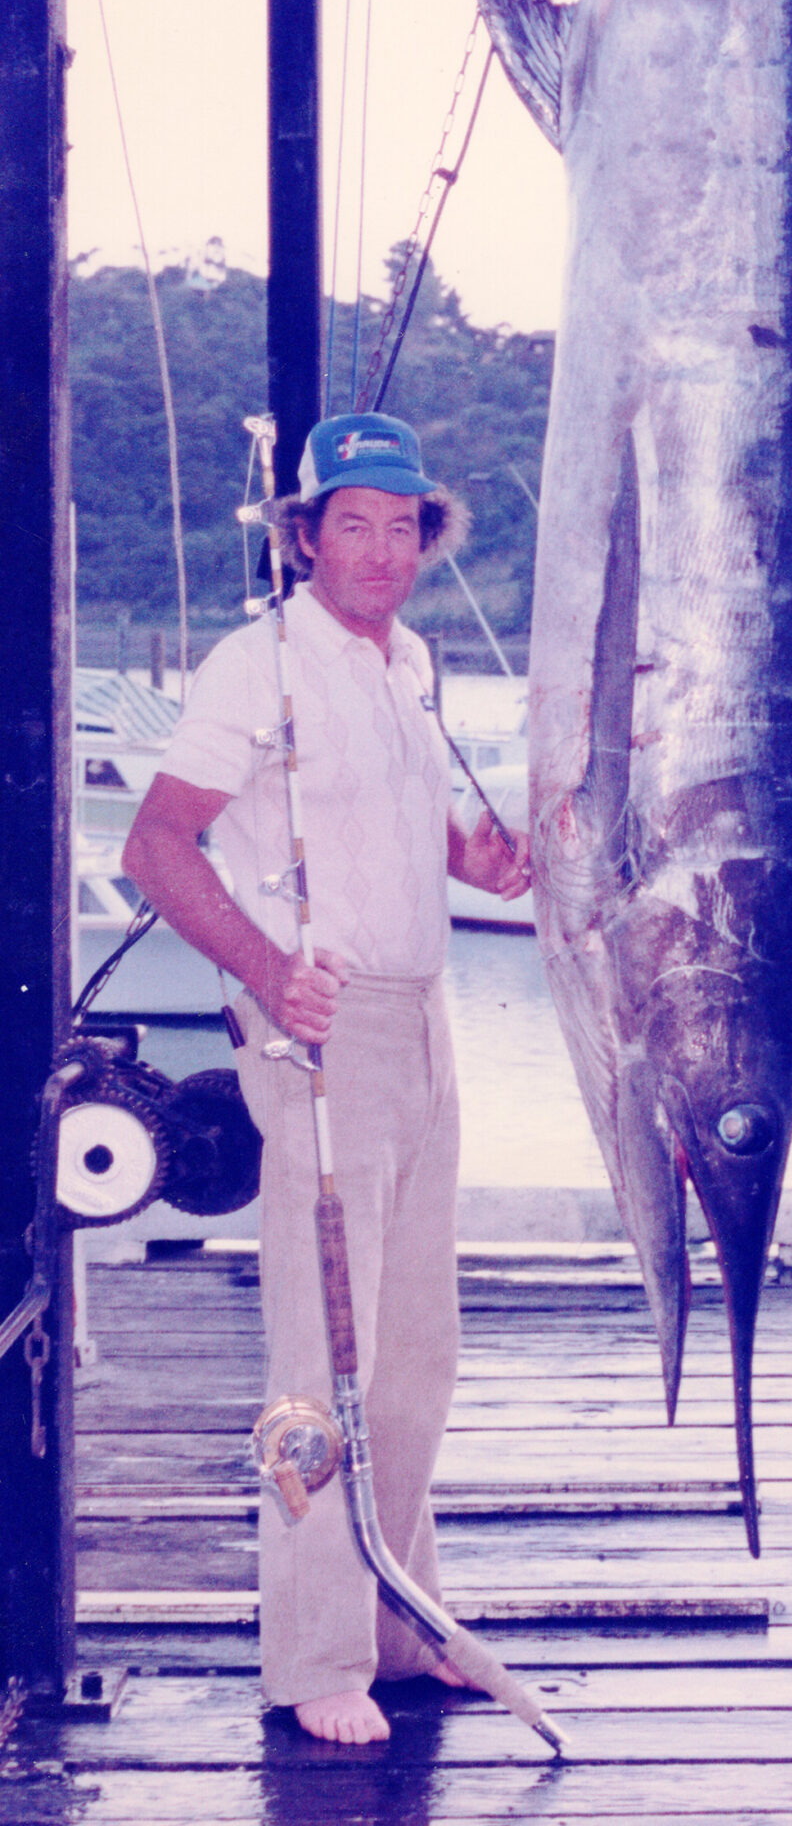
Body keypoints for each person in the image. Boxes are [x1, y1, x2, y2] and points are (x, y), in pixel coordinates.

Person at [123, 412, 530, 1745]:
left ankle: (402, 1622)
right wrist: (264, 967)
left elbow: (412, 824)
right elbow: (156, 845)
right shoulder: (256, 664)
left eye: (401, 525)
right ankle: (312, 1657)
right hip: (319, 1032)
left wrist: (485, 857)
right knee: (318, 1360)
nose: (379, 550)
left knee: (415, 1358)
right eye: (351, 523)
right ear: (304, 538)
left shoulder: (410, 660)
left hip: (425, 1025)